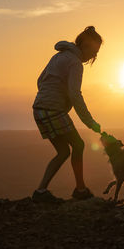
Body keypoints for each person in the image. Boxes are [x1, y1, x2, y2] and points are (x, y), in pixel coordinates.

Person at [31, 26, 102, 203]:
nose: (93, 56)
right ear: (84, 45)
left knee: (63, 152)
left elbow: (40, 80)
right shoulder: (75, 63)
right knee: (78, 145)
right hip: (52, 109)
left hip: (39, 109)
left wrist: (50, 95)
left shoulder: (59, 56)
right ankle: (80, 190)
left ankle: (40, 191)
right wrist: (90, 122)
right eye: (94, 51)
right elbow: (75, 94)